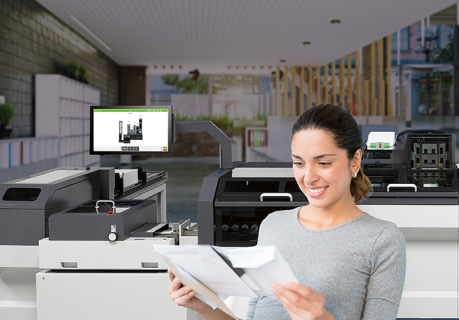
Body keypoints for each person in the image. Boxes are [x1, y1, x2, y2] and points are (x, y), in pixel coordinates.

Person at [168, 103, 407, 320]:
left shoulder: (382, 240)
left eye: (324, 163)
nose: (309, 177)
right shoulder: (273, 224)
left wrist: (322, 318)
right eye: (299, 163)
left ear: (355, 161)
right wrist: (203, 307)